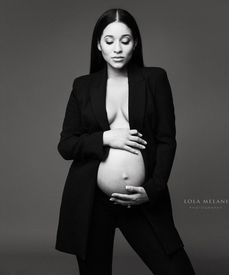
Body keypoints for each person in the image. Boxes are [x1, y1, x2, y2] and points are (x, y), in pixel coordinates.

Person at [55, 8, 196, 275]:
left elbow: (167, 140)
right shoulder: (82, 86)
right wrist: (107, 137)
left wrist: (152, 190)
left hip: (141, 199)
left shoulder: (155, 79)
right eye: (109, 41)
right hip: (91, 201)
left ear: (135, 43)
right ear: (98, 45)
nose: (117, 48)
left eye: (125, 40)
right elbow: (66, 145)